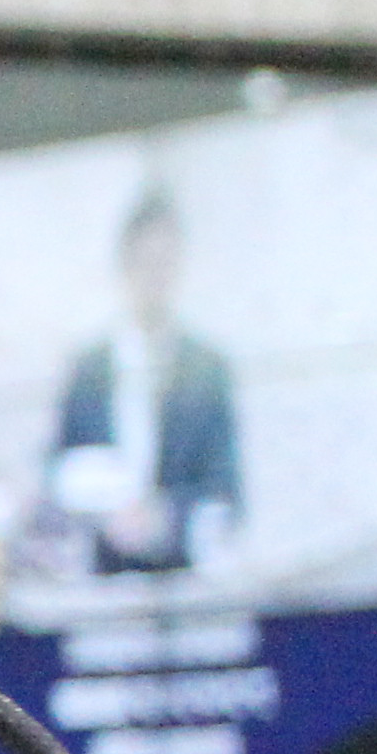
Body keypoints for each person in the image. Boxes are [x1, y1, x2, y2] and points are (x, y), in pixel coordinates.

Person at [50, 185, 240, 577]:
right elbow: (58, 476)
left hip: (188, 580)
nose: (155, 278)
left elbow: (227, 492)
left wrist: (164, 519)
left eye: (165, 263)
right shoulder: (88, 370)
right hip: (103, 582)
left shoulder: (209, 369)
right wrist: (105, 515)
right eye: (145, 263)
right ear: (124, 266)